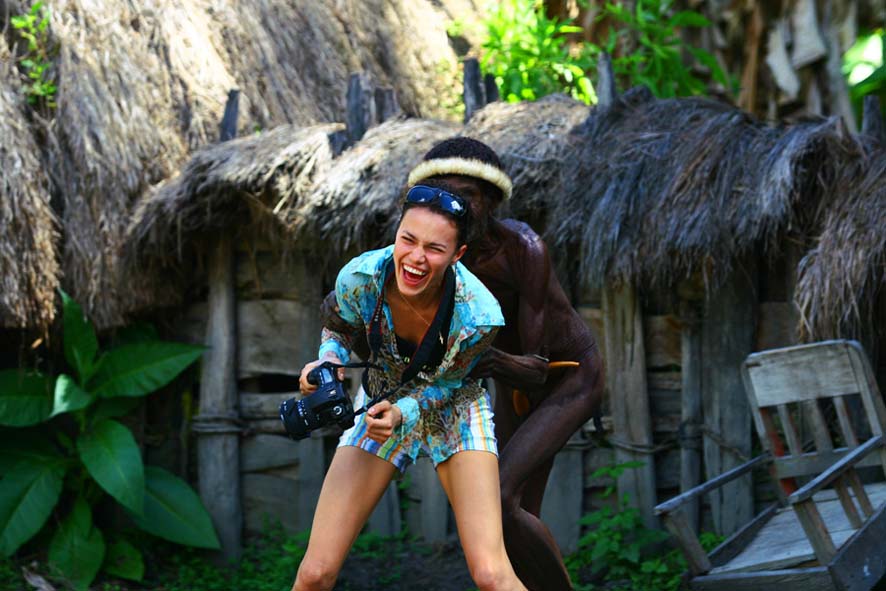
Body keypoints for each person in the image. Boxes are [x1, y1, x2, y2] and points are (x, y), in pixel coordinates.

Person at [324, 137, 605, 590]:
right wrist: (340, 340)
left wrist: (463, 360)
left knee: (500, 499)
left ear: (490, 201)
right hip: (503, 379)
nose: (453, 203)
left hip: (564, 377)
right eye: (443, 191)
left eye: (467, 195)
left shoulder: (523, 249)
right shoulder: (435, 249)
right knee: (510, 519)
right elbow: (365, 308)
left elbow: (536, 368)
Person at [292, 180, 527, 591]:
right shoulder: (361, 277)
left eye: (434, 248)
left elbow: (449, 382)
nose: (416, 258)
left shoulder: (480, 315)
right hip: (379, 402)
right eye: (408, 240)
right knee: (315, 574)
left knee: (491, 575)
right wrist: (328, 361)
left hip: (454, 407)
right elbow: (339, 328)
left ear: (457, 255)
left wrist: (405, 412)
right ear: (397, 234)